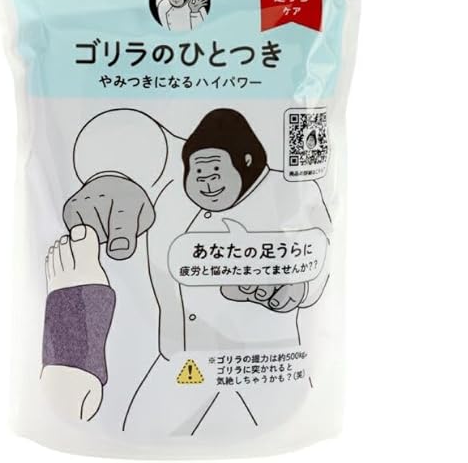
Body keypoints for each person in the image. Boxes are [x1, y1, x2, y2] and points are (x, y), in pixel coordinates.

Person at [42, 108, 331, 436]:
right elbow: (129, 131)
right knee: (135, 433)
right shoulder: (169, 184)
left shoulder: (289, 188)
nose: (206, 182)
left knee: (281, 431)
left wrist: (299, 285)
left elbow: (320, 247)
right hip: (176, 359)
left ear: (247, 161)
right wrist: (110, 176)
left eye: (216, 170)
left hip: (265, 364)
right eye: (199, 171)